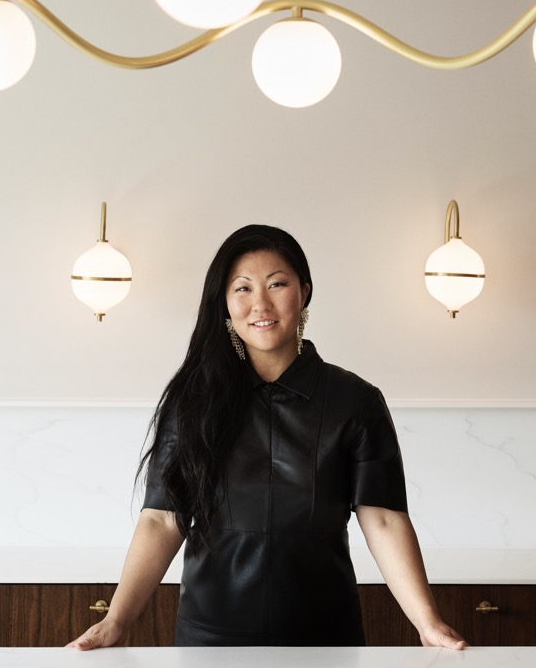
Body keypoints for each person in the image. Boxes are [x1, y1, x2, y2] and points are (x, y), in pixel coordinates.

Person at [68, 224, 466, 649]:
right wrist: (116, 621)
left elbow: (383, 518)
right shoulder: (193, 401)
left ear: (304, 292)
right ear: (224, 302)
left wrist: (427, 622)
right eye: (243, 288)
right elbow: (163, 519)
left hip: (325, 640)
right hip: (211, 639)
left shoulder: (356, 401)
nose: (261, 303)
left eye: (277, 284)